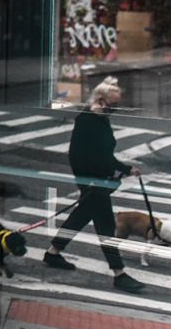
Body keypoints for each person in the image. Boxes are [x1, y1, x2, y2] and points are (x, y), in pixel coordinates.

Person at [43, 76, 146, 294]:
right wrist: (86, 181)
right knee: (106, 225)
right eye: (113, 104)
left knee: (80, 217)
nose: (116, 109)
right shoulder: (87, 120)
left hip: (99, 181)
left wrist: (126, 169)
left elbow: (106, 155)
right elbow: (77, 155)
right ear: (100, 99)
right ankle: (119, 273)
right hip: (93, 182)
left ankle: (53, 252)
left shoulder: (101, 119)